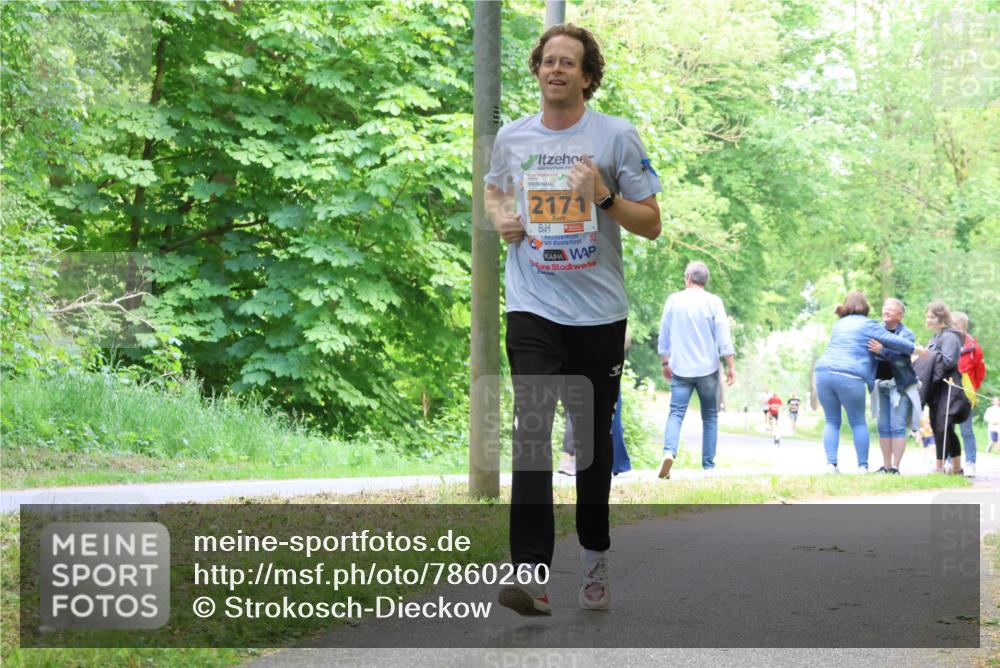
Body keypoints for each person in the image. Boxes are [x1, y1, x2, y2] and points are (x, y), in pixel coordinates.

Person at [485, 23, 661, 616]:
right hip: (533, 305)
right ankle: (530, 575)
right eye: (548, 61)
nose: (556, 70)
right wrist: (504, 216)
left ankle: (593, 555)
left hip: (598, 315)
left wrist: (604, 197)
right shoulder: (512, 138)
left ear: (587, 77)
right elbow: (493, 191)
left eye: (569, 63)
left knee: (589, 445)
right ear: (536, 70)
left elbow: (651, 222)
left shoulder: (615, 136)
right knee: (530, 432)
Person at [813, 291, 924, 474]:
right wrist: (918, 350)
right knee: (857, 422)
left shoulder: (839, 324)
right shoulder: (869, 325)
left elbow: (852, 325)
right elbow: (896, 341)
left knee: (832, 421)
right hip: (850, 376)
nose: (886, 311)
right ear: (866, 307)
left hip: (824, 373)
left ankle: (831, 465)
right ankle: (862, 467)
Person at [657, 261, 736, 478]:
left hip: (680, 368)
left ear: (688, 278)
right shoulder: (714, 302)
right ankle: (708, 467)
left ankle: (668, 452)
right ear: (704, 280)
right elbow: (723, 335)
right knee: (710, 416)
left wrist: (665, 361)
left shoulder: (674, 300)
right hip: (707, 370)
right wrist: (730, 365)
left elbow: (664, 331)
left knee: (675, 413)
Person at [560, 335, 633, 477]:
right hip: (603, 362)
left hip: (575, 362)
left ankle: (567, 461)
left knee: (575, 411)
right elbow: (625, 339)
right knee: (610, 411)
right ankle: (616, 462)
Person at [866, 298, 922, 474]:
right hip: (880, 385)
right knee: (883, 426)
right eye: (885, 307)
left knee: (897, 426)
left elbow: (902, 359)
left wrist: (882, 350)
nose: (886, 310)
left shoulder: (907, 334)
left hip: (901, 386)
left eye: (891, 309)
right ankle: (886, 466)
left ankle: (896, 467)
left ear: (900, 315)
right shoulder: (877, 331)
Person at [915, 302, 970, 474]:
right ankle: (957, 468)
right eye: (927, 316)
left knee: (943, 426)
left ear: (941, 317)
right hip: (936, 388)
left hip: (949, 387)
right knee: (943, 427)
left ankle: (938, 467)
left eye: (931, 317)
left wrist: (927, 355)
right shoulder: (935, 337)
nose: (928, 320)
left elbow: (948, 361)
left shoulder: (950, 337)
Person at [952, 311, 985, 477]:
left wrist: (972, 388)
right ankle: (950, 462)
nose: (954, 328)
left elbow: (980, 372)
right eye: (951, 325)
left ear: (964, 326)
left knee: (967, 430)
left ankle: (970, 463)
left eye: (957, 325)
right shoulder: (946, 342)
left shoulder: (974, 348)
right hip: (949, 392)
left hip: (966, 393)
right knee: (948, 428)